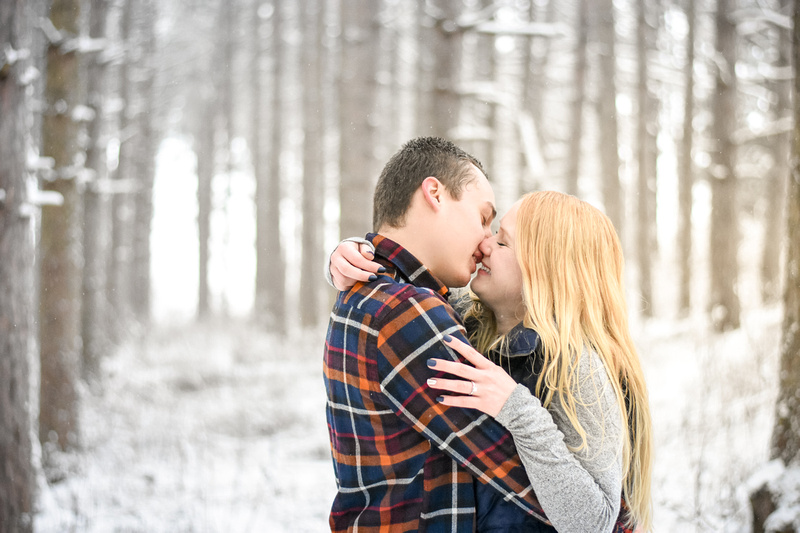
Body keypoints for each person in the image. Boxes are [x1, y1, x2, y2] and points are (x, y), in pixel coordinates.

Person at [329, 191, 653, 532]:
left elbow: (595, 522)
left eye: (502, 243)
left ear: (545, 267)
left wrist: (518, 410)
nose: (485, 245)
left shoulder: (578, 367)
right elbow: (409, 274)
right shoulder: (465, 319)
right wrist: (355, 253)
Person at [323, 137, 551, 532]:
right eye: (482, 218)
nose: (485, 241)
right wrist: (613, 516)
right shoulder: (407, 311)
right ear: (435, 194)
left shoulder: (364, 295)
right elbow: (521, 473)